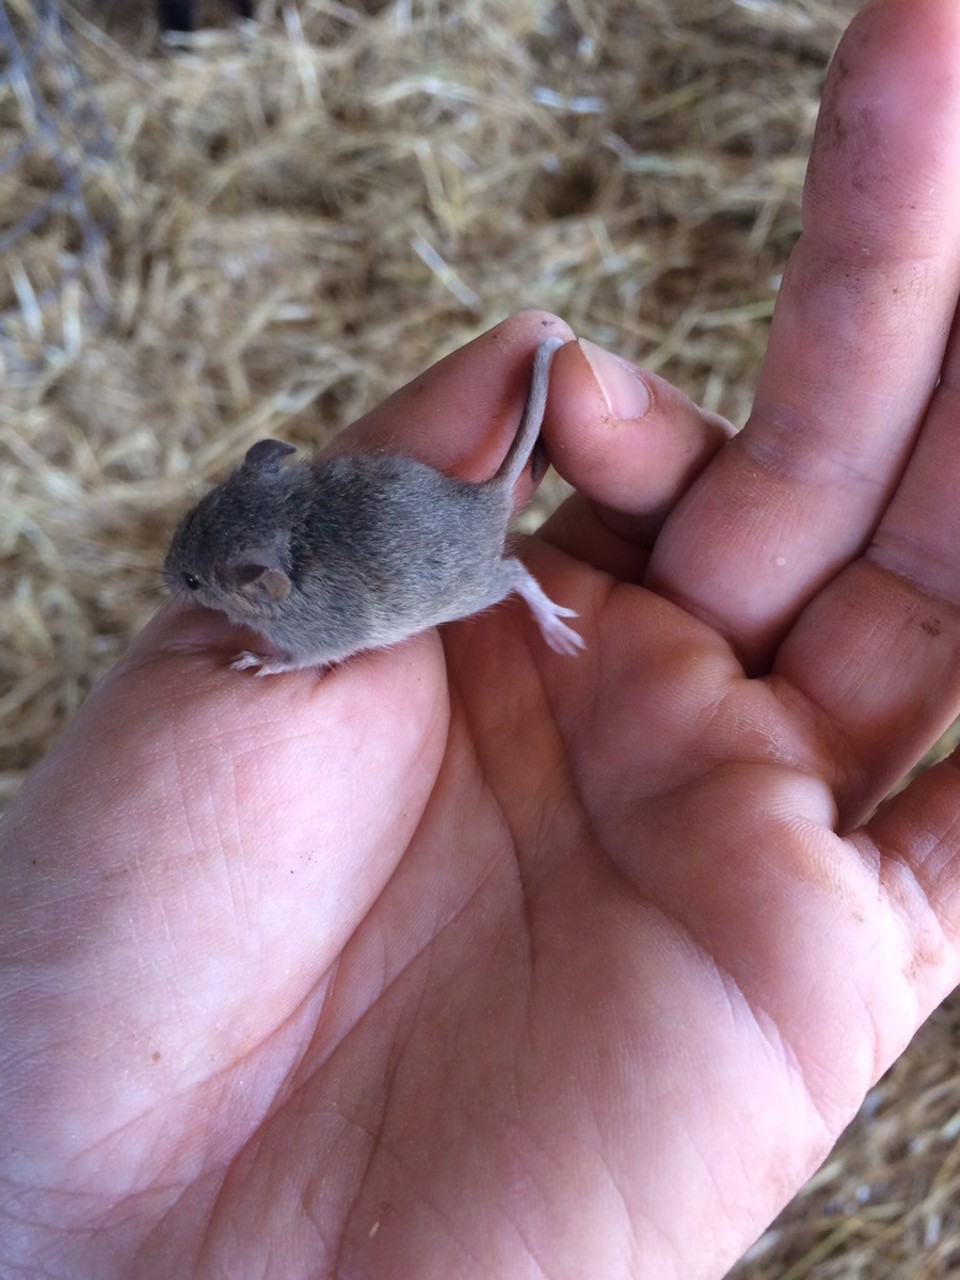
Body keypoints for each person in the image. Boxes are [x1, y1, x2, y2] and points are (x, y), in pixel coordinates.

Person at [3, 0, 959, 1275]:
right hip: (442, 529)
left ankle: (519, 581)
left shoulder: (312, 612)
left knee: (479, 574)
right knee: (479, 554)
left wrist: (457, 605)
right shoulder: (293, 525)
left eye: (212, 586)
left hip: (463, 556)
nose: (189, 596)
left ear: (261, 583)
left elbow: (334, 635)